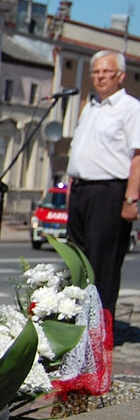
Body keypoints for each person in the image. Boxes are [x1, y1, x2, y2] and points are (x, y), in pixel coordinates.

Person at [67, 50, 140, 317]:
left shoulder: (131, 108)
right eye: (95, 72)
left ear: (120, 76)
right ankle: (78, 320)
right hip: (81, 190)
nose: (100, 77)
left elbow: (138, 157)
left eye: (106, 72)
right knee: (77, 257)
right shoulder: (90, 107)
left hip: (109, 191)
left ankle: (101, 325)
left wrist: (131, 199)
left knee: (102, 261)